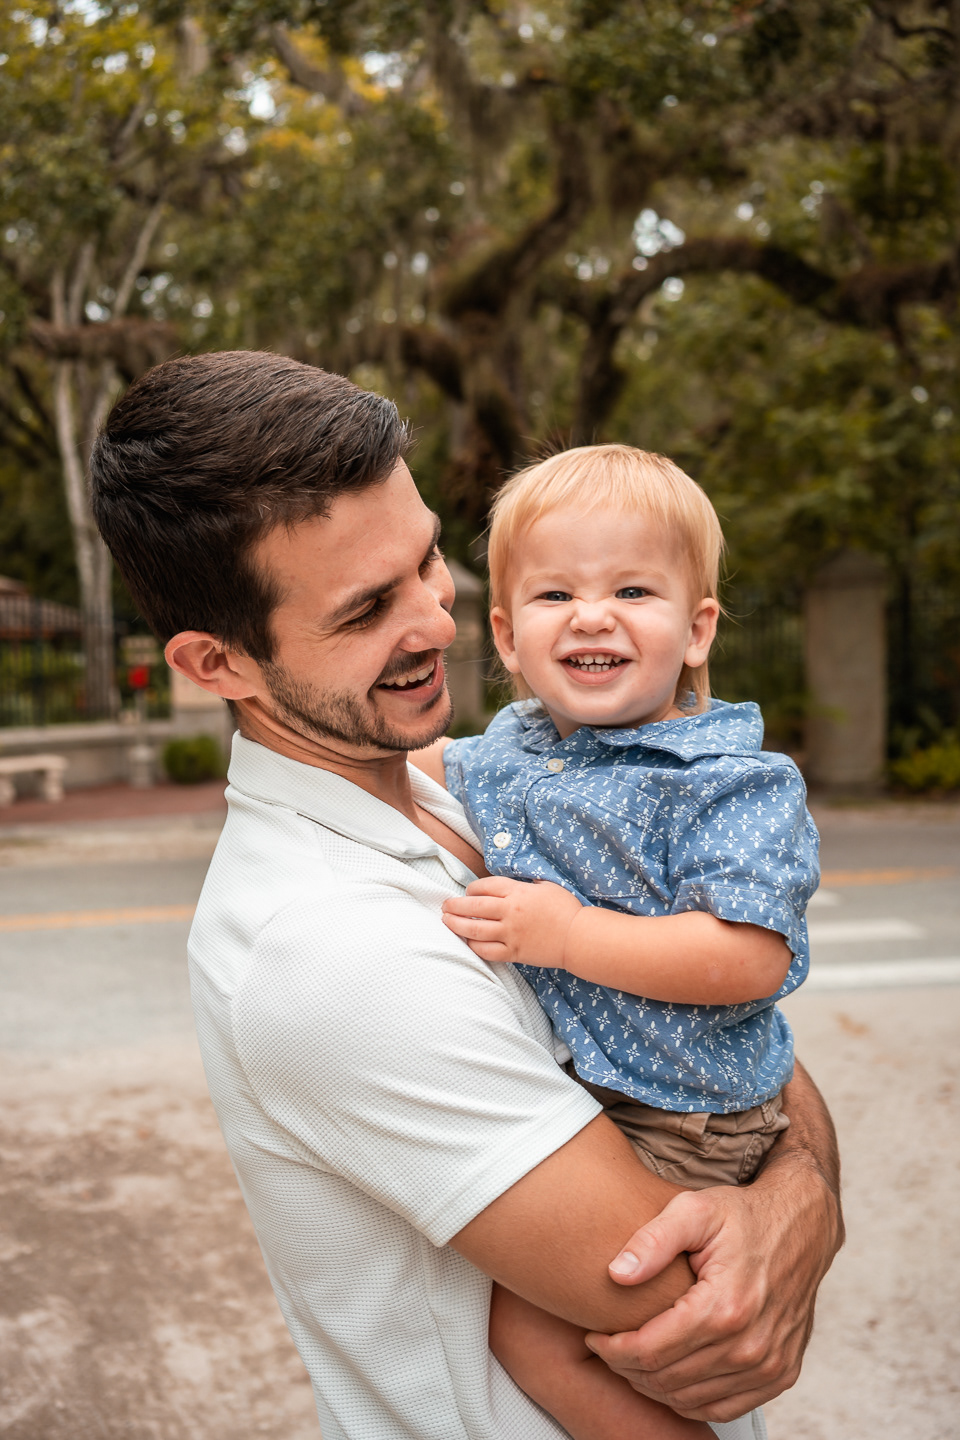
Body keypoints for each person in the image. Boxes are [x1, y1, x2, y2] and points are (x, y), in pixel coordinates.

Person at [89, 351, 842, 1440]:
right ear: (219, 665)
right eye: (366, 610)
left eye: (429, 559)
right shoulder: (329, 951)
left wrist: (798, 1186)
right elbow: (701, 1308)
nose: (439, 622)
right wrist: (803, 1193)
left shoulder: (458, 786)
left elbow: (716, 1002)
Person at [413, 444, 819, 1439]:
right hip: (595, 1094)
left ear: (696, 630)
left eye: (632, 589)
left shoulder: (728, 782)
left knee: (543, 1324)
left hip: (685, 1113)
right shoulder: (509, 747)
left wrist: (570, 935)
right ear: (507, 637)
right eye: (556, 594)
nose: (591, 614)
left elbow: (751, 958)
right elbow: (415, 776)